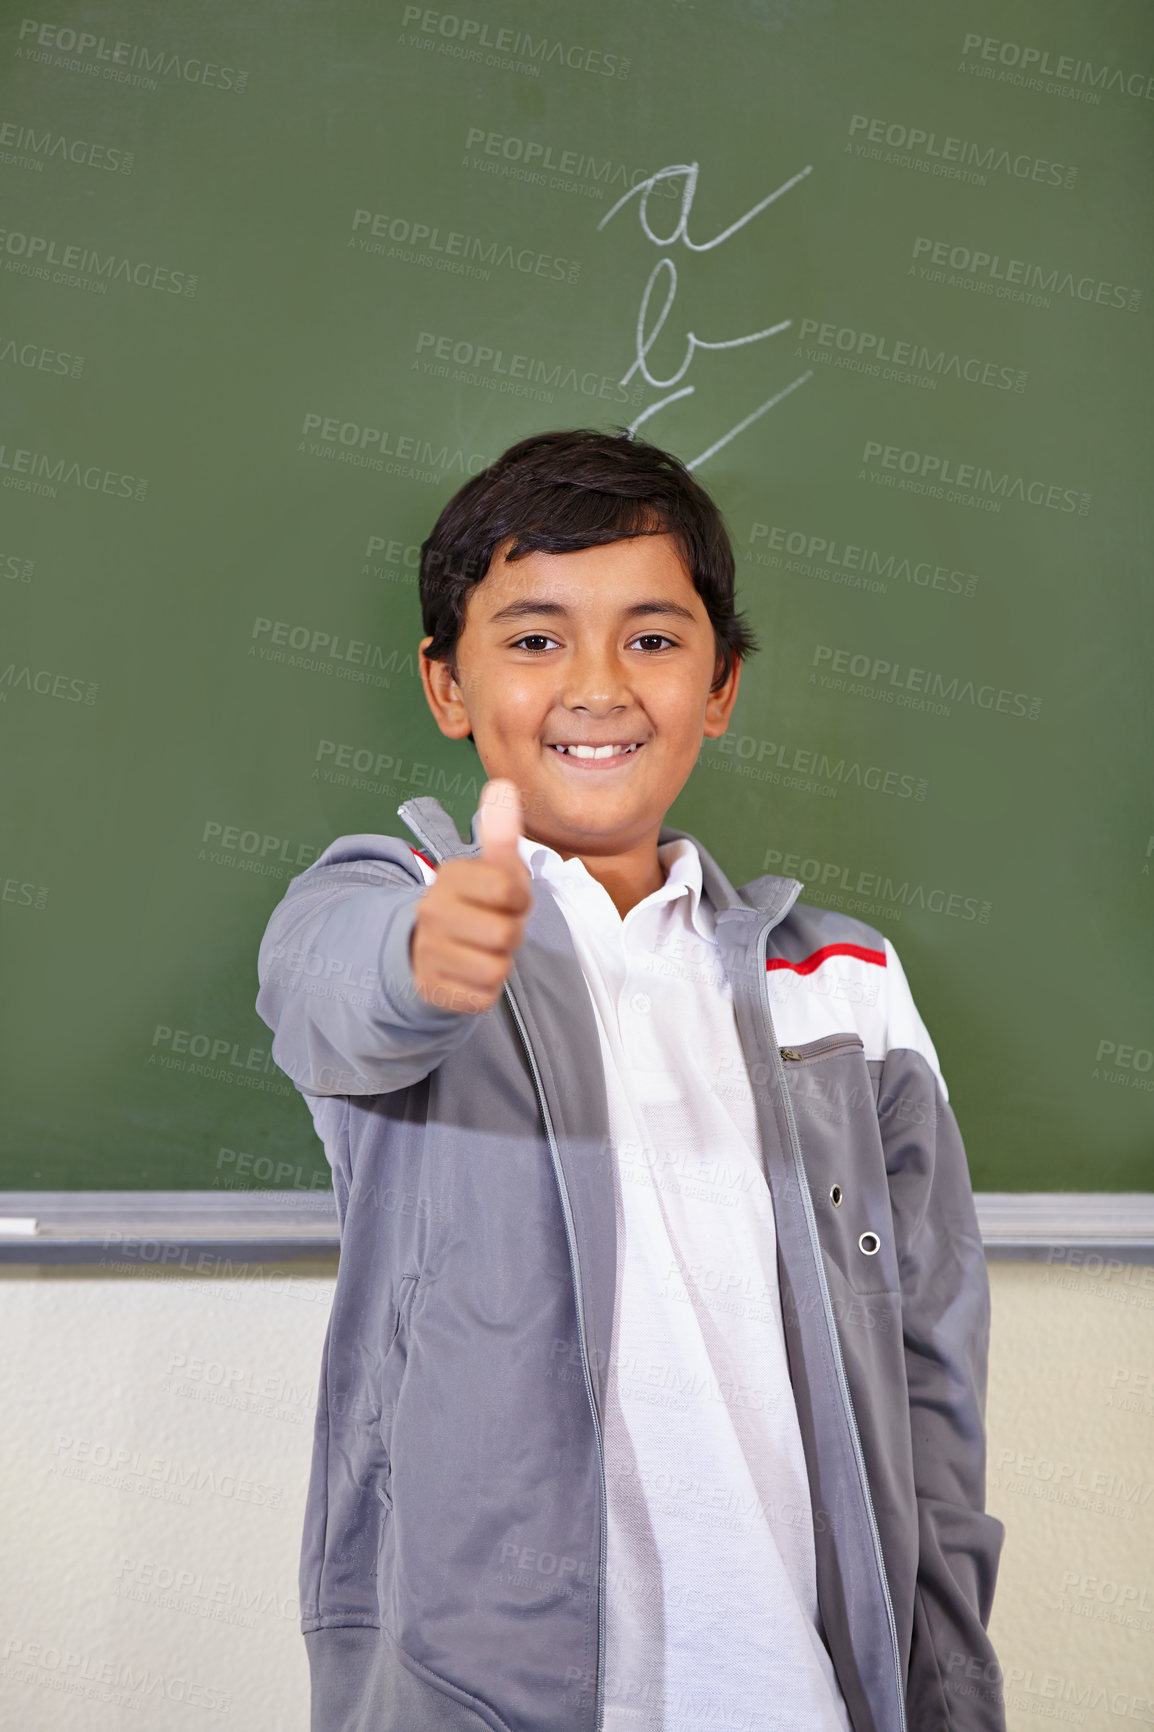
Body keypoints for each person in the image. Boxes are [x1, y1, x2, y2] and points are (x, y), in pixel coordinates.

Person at [256, 428, 1006, 1732]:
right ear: (445, 685)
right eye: (534, 639)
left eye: (653, 640)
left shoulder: (844, 981)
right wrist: (424, 964)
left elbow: (931, 1392)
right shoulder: (394, 906)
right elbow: (326, 997)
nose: (596, 685)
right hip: (479, 1690)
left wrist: (947, 1696)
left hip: (798, 1693)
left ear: (719, 686)